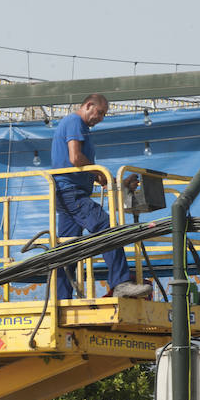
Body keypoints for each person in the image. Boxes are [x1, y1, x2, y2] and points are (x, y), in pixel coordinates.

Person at [51, 93, 151, 299]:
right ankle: (120, 282)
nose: (101, 118)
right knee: (106, 226)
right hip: (71, 191)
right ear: (88, 105)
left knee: (67, 247)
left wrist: (113, 181)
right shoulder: (74, 122)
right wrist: (99, 174)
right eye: (99, 113)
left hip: (67, 191)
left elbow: (83, 166)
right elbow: (76, 157)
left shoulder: (81, 127)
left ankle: (61, 298)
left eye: (104, 114)